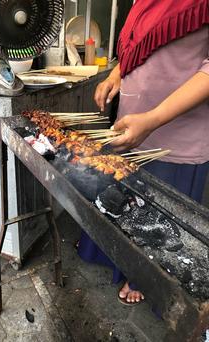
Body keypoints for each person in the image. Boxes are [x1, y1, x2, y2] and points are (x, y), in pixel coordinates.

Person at [78, 0, 209, 305]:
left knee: (157, 223)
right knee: (123, 205)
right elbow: (139, 47)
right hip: (131, 126)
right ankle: (118, 262)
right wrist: (114, 76)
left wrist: (154, 119)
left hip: (175, 138)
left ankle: (146, 279)